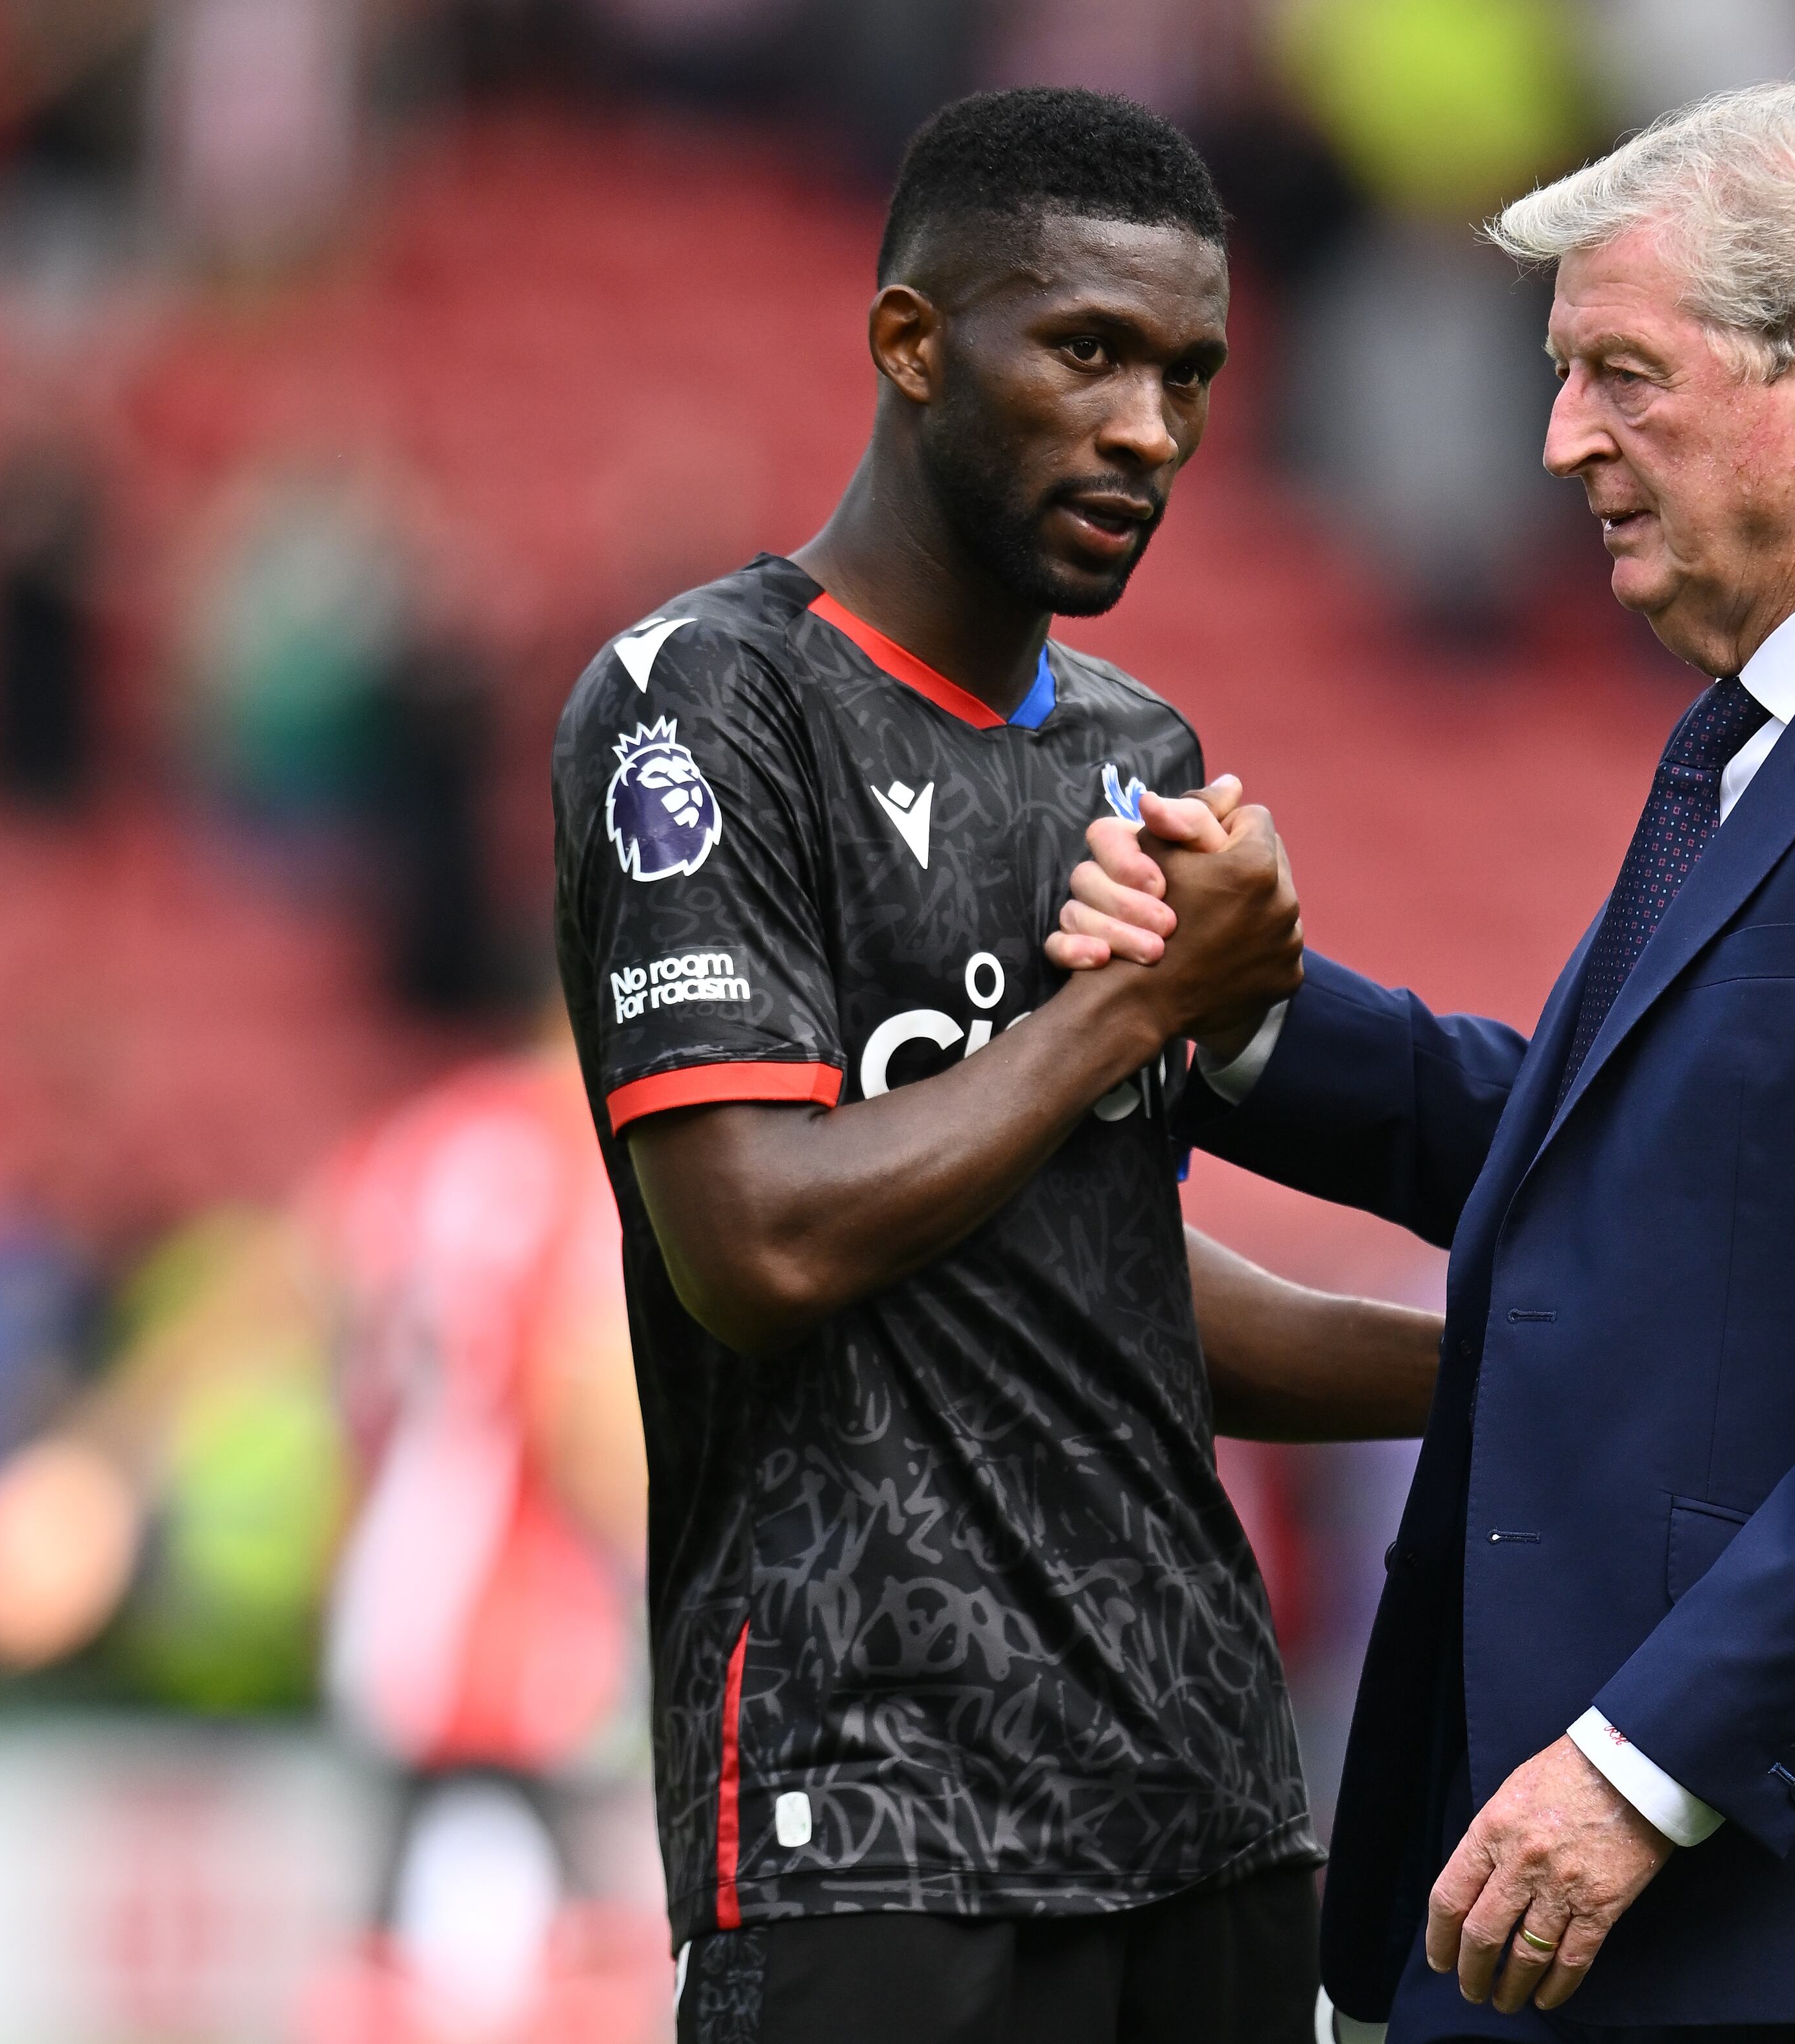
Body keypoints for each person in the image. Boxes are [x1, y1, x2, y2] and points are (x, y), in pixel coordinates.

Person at [1055, 84, 1795, 2041]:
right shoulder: (1781, 714)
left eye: (1620, 374)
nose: (1561, 439)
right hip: (1629, 1880)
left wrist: (1641, 1768)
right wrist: (1242, 1008)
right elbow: (1638, 1156)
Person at [548, 87, 1439, 2044]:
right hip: (872, 1807)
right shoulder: (703, 709)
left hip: (1205, 1790)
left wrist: (1506, 1372)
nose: (1149, 430)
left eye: (1189, 375)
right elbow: (755, 1242)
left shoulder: (1141, 752)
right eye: (1089, 352)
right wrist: (1132, 1007)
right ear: (912, 342)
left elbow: (1107, 1276)